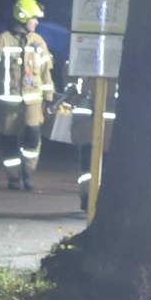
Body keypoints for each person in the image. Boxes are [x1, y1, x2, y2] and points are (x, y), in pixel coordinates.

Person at [0, 0, 55, 191]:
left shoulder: (38, 42)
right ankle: (13, 178)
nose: (37, 22)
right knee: (9, 141)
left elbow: (47, 71)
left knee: (33, 136)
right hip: (9, 103)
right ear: (23, 17)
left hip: (33, 101)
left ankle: (28, 173)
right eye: (34, 18)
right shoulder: (3, 40)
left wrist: (48, 98)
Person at [57, 75, 116, 213]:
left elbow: (69, 87)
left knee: (88, 164)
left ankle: (88, 198)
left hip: (87, 122)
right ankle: (93, 199)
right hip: (98, 124)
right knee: (97, 163)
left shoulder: (80, 61)